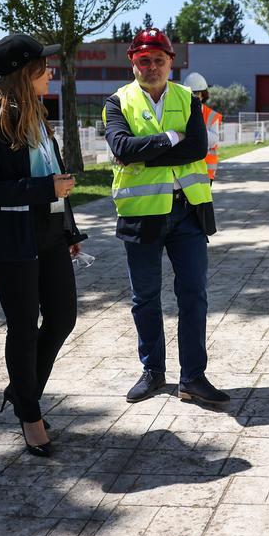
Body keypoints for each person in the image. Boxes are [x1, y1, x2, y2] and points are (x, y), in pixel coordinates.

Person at [0, 33, 87, 457]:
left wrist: (68, 231)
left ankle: (21, 392)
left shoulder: (38, 115)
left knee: (64, 316)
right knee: (24, 325)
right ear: (25, 74)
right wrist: (44, 188)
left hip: (47, 234)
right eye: (44, 68)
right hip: (10, 240)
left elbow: (55, 178)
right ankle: (31, 414)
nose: (51, 73)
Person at [103, 28, 228, 407]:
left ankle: (193, 377)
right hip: (142, 216)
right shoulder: (116, 102)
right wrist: (171, 139)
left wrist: (145, 152)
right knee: (145, 299)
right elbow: (120, 146)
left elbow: (198, 147)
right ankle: (153, 372)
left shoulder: (187, 98)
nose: (152, 66)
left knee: (194, 296)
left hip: (188, 211)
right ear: (133, 62)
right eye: (144, 60)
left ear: (171, 62)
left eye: (159, 60)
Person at [183, 72, 222, 181]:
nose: (194, 96)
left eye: (197, 93)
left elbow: (213, 140)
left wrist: (196, 126)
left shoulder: (211, 115)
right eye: (192, 93)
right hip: (186, 169)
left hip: (206, 170)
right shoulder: (180, 113)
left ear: (203, 95)